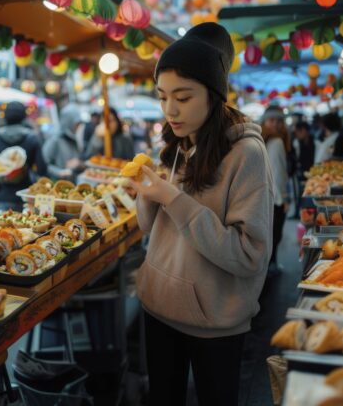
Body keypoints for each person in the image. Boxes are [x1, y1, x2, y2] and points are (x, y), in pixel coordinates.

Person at [128, 23, 274, 406]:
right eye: (162, 97)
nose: (170, 110)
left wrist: (173, 199)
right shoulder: (177, 145)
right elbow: (148, 227)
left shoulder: (247, 154)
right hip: (158, 307)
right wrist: (147, 195)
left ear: (214, 94)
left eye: (183, 97)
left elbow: (249, 254)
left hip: (215, 322)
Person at [0, 101, 47, 211]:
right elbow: (42, 170)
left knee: (3, 221)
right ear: (24, 117)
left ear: (5, 116)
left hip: (4, 195)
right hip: (27, 195)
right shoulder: (32, 138)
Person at [261, 105, 290, 273]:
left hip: (262, 195)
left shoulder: (261, 139)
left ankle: (268, 267)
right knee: (274, 234)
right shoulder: (277, 142)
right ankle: (271, 267)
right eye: (271, 120)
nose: (276, 124)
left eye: (279, 121)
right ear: (264, 121)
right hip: (275, 197)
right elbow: (278, 174)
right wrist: (284, 198)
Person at [42, 104, 85, 181]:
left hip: (71, 183)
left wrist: (78, 163)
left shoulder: (73, 139)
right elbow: (43, 164)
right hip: (56, 184)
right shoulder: (55, 139)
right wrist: (59, 172)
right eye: (76, 124)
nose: (78, 128)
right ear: (69, 122)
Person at [292, 120, 315, 217]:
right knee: (300, 193)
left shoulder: (315, 142)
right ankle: (300, 212)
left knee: (309, 194)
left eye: (298, 132)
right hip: (301, 173)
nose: (297, 134)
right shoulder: (296, 143)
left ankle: (308, 213)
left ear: (304, 130)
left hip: (313, 174)